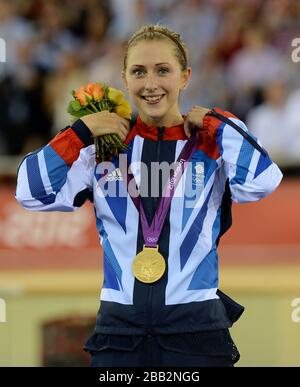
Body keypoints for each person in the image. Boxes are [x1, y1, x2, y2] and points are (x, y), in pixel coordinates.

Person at [15, 24, 283, 367]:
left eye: (163, 71)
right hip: (119, 336)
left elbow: (262, 180)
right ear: (125, 78)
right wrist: (80, 132)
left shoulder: (211, 142)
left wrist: (217, 122)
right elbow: (30, 190)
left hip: (196, 333)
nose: (151, 84)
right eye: (139, 71)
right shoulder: (101, 148)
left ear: (185, 77)